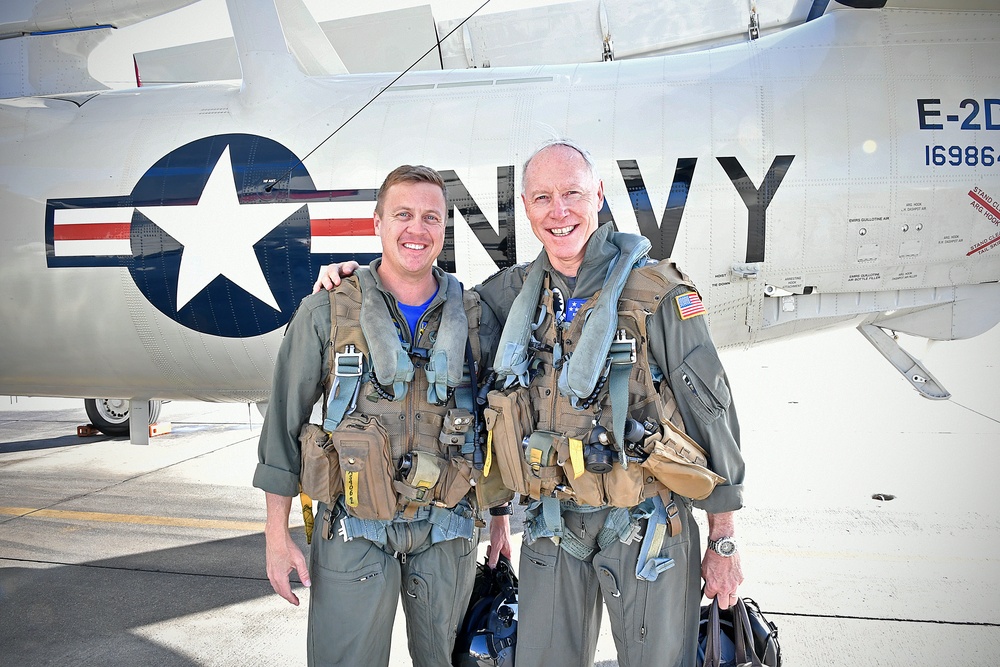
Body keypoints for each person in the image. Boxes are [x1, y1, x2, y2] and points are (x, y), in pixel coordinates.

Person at [316, 140, 744, 667]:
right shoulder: (512, 296)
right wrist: (355, 284)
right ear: (526, 207)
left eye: (572, 194)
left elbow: (712, 411)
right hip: (552, 525)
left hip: (647, 525)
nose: (558, 212)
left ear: (599, 196)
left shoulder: (657, 292)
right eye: (543, 198)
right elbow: (430, 306)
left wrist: (723, 539)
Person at [254, 164, 512, 667]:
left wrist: (500, 520)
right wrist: (275, 533)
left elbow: (495, 426)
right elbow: (283, 424)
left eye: (431, 218)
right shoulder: (329, 311)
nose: (417, 230)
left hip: (450, 526)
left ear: (444, 229)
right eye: (403, 215)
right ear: (376, 223)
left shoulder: (477, 318)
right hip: (354, 527)